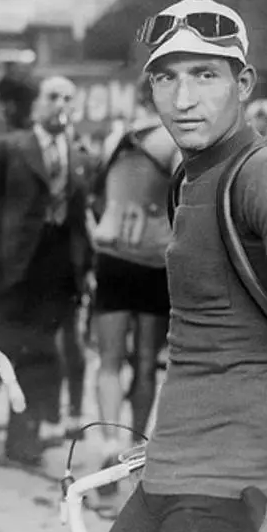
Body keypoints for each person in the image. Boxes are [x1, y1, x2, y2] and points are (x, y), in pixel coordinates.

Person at [100, 0, 267, 532]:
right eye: (166, 79)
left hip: (233, 487)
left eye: (204, 76)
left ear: (243, 83)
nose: (182, 100)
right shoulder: (189, 173)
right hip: (169, 470)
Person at [0, 75, 89, 465]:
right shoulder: (8, 146)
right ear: (37, 104)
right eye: (53, 96)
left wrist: (84, 269)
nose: (61, 105)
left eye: (68, 98)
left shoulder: (76, 153)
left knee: (38, 360)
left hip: (53, 273)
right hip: (9, 268)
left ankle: (22, 441)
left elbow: (77, 219)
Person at [89, 74, 180, 467]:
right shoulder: (174, 141)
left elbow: (99, 195)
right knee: (145, 362)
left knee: (108, 360)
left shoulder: (116, 138)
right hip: (153, 260)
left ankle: (108, 440)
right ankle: (134, 446)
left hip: (111, 256)